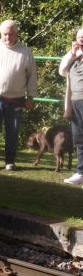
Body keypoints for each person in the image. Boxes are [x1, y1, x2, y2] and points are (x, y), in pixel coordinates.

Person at [0, 20, 37, 171]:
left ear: (16, 33)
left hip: (16, 99)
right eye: (5, 34)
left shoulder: (25, 52)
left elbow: (32, 76)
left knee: (13, 130)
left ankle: (10, 160)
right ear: (0, 34)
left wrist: (30, 97)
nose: (8, 37)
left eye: (11, 34)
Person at [59, 27, 83, 185]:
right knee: (79, 138)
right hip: (75, 101)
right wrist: (72, 54)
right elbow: (62, 70)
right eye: (80, 37)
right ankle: (81, 172)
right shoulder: (74, 55)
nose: (82, 39)